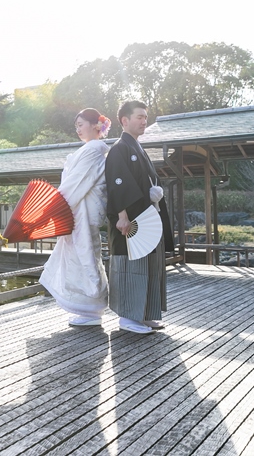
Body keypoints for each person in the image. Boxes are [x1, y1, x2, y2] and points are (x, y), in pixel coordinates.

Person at [105, 100, 173, 334]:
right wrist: (122, 216)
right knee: (131, 266)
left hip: (146, 218)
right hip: (130, 222)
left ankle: (145, 314)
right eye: (139, 117)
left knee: (150, 265)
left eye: (145, 117)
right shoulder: (119, 148)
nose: (144, 121)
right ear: (124, 120)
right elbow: (117, 183)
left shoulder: (138, 148)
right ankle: (128, 317)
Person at [39, 108, 111, 327]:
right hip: (78, 211)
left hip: (82, 212)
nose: (78, 129)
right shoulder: (89, 150)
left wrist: (52, 207)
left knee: (85, 257)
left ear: (95, 125)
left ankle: (92, 309)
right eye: (76, 126)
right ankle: (86, 309)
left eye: (81, 125)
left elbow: (75, 183)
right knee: (79, 258)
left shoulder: (93, 150)